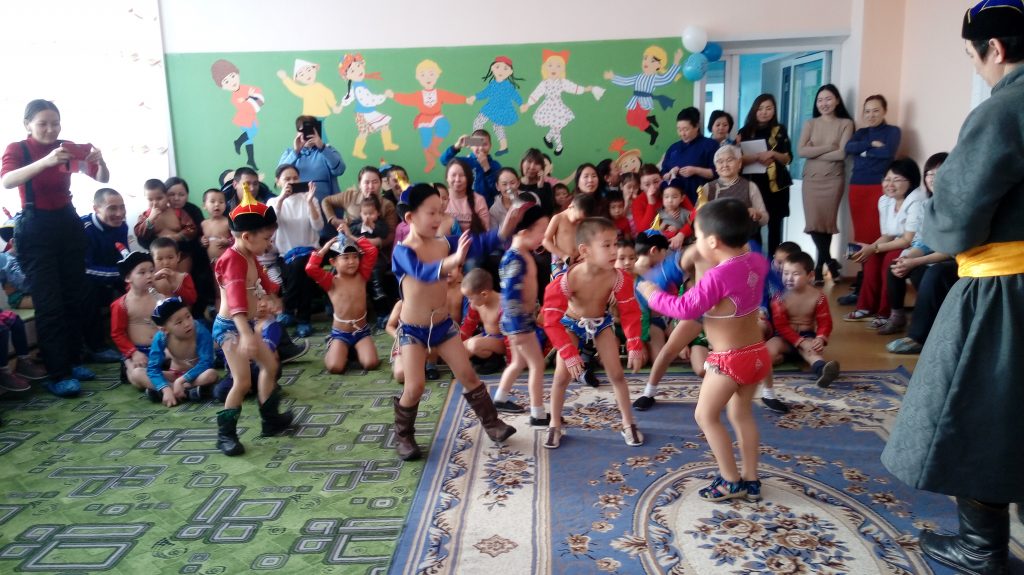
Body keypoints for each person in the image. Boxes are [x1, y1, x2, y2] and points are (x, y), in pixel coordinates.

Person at [883, 5, 1024, 571]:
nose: (977, 66)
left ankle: (981, 548)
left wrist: (933, 237)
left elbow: (956, 219)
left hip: (1002, 290)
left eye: (972, 55)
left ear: (995, 49)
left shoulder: (1002, 111)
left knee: (972, 408)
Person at [637, 198, 770, 502]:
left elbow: (685, 308)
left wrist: (652, 293)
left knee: (705, 416)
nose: (695, 244)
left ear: (713, 242)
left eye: (697, 237)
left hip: (730, 360)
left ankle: (730, 480)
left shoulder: (717, 277)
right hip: (757, 353)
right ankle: (751, 479)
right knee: (741, 414)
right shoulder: (755, 260)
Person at [390, 183, 515, 460]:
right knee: (415, 387)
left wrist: (503, 230)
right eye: (431, 213)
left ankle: (493, 424)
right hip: (413, 331)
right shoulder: (402, 251)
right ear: (410, 217)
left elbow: (477, 243)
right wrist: (454, 260)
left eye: (441, 211)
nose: (439, 218)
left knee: (468, 375)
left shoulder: (443, 243)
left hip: (443, 327)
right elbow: (421, 271)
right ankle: (403, 435)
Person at [1, 99, 109, 397]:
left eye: (55, 123)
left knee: (74, 296)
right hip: (35, 228)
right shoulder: (18, 149)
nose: (50, 129)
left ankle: (73, 361)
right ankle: (57, 373)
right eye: (43, 124)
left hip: (67, 223)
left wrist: (100, 161)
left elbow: (101, 177)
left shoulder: (66, 146)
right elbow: (7, 180)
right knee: (49, 304)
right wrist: (46, 161)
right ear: (28, 125)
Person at [541, 218, 647, 449]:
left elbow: (630, 313)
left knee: (616, 374)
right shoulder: (567, 280)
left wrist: (634, 344)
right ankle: (555, 424)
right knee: (561, 376)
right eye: (606, 245)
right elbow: (550, 320)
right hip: (571, 324)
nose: (614, 251)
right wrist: (569, 354)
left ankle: (628, 423)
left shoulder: (618, 278)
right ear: (585, 251)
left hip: (601, 324)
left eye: (615, 244)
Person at [212, 182, 293, 456]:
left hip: (246, 324)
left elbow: (263, 279)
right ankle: (225, 435)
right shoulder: (232, 260)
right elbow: (236, 302)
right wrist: (246, 334)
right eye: (267, 239)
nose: (270, 244)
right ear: (247, 236)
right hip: (231, 328)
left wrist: (272, 297)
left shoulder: (248, 253)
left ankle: (270, 420)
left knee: (269, 365)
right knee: (242, 381)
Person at [877, 152, 951, 336]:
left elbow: (951, 249)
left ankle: (926, 328)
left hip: (952, 259)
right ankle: (897, 317)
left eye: (938, 173)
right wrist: (908, 258)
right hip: (931, 256)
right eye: (929, 174)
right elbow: (921, 241)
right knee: (897, 265)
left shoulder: (957, 206)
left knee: (925, 274)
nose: (932, 178)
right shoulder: (928, 204)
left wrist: (915, 261)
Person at [843, 159, 925, 325]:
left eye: (897, 179)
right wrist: (869, 249)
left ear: (911, 181)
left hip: (918, 246)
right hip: (899, 242)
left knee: (889, 259)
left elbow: (907, 240)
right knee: (871, 258)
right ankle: (866, 307)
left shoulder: (917, 200)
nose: (890, 184)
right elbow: (887, 235)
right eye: (887, 179)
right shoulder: (885, 200)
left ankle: (885, 312)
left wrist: (874, 248)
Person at [492, 200, 551, 422]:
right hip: (518, 322)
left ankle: (500, 398)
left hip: (520, 320)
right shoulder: (515, 258)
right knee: (537, 364)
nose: (545, 236)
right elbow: (510, 294)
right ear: (524, 232)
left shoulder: (523, 253)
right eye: (542, 231)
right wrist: (518, 326)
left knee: (518, 362)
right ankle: (537, 413)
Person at [798, 84, 854, 286]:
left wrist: (815, 151)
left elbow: (841, 154)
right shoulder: (810, 123)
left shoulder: (846, 123)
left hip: (833, 179)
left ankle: (819, 269)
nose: (824, 103)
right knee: (814, 225)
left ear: (837, 100)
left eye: (828, 99)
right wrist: (829, 147)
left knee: (826, 225)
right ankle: (829, 262)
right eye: (820, 100)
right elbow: (801, 151)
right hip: (812, 179)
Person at [305, 230, 380, 373]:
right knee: (335, 367)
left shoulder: (362, 275)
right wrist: (325, 248)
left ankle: (353, 351)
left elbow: (372, 251)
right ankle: (335, 345)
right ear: (333, 262)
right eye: (345, 258)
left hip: (361, 332)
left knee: (371, 363)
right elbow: (311, 268)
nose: (351, 261)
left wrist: (351, 236)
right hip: (340, 333)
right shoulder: (330, 281)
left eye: (355, 257)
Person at [765, 251, 840, 387]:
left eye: (795, 274)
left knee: (813, 352)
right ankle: (784, 358)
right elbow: (781, 325)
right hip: (783, 339)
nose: (789, 278)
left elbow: (825, 321)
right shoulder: (778, 297)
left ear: (810, 276)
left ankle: (822, 370)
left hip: (807, 336)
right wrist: (799, 342)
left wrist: (820, 338)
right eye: (785, 273)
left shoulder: (819, 297)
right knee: (767, 352)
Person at [267, 164, 322, 338]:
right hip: (286, 256)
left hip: (312, 253)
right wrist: (281, 200)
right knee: (301, 269)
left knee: (302, 265)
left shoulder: (310, 198)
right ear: (278, 182)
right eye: (287, 179)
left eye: (295, 178)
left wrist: (309, 202)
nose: (292, 182)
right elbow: (271, 227)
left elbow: (318, 226)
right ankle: (303, 319)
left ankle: (289, 309)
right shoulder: (272, 202)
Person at [737, 94, 794, 255]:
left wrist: (773, 154)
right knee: (753, 226)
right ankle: (756, 262)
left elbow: (788, 158)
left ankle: (774, 262)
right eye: (760, 108)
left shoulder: (780, 130)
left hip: (776, 186)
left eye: (768, 108)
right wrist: (757, 157)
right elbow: (737, 160)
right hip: (753, 185)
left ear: (774, 110)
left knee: (775, 226)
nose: (764, 112)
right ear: (754, 110)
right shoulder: (745, 131)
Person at [81, 188, 130, 363]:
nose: (119, 213)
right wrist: (121, 273)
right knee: (88, 292)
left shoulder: (121, 225)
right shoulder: (84, 228)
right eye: (112, 208)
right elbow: (85, 270)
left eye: (122, 207)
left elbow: (124, 256)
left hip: (111, 273)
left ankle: (141, 334)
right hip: (86, 279)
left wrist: (135, 270)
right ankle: (97, 347)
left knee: (141, 283)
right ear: (96, 209)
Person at [277, 115, 346, 236]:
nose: (308, 134)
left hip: (328, 214)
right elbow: (280, 175)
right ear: (297, 133)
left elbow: (339, 170)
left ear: (317, 131)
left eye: (311, 131)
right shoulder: (290, 153)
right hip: (298, 214)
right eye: (303, 131)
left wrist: (322, 147)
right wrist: (296, 152)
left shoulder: (327, 150)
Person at [147, 297, 218, 407]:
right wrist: (166, 389)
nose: (187, 324)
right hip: (173, 374)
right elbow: (153, 368)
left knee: (211, 374)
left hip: (196, 376)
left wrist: (180, 381)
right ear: (165, 329)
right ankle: (181, 391)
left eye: (188, 316)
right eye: (179, 322)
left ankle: (173, 390)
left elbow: (206, 362)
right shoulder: (161, 337)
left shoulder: (200, 331)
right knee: (137, 374)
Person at [110, 251, 159, 393]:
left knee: (185, 358)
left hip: (161, 348)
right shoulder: (121, 304)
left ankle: (161, 385)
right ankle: (167, 387)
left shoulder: (159, 297)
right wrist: (133, 352)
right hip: (138, 352)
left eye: (151, 270)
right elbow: (117, 334)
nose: (149, 275)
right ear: (127, 278)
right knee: (136, 375)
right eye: (142, 272)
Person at [321, 166, 399, 248]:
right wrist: (333, 220)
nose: (371, 186)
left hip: (376, 248)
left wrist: (369, 243)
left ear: (380, 184)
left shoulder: (387, 205)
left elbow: (392, 234)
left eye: (375, 182)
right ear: (360, 185)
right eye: (366, 182)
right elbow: (326, 201)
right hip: (350, 246)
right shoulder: (349, 196)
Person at [660, 107, 719, 205]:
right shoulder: (673, 148)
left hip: (700, 199)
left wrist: (696, 170)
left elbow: (717, 172)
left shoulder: (710, 145)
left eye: (685, 129)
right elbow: (663, 173)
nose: (682, 133)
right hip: (675, 203)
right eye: (679, 129)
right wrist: (669, 174)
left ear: (696, 126)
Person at [459, 269, 509, 375]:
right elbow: (468, 326)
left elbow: (512, 335)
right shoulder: (475, 304)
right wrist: (456, 343)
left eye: (470, 298)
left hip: (504, 342)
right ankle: (483, 362)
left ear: (484, 294)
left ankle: (498, 361)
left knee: (474, 345)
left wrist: (511, 360)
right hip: (487, 336)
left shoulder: (503, 304)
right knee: (459, 349)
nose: (469, 301)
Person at [134, 179, 198, 252]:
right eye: (150, 199)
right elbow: (139, 232)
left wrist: (177, 237)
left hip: (179, 251)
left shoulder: (178, 212)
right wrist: (150, 220)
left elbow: (191, 229)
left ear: (167, 197)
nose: (155, 203)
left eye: (159, 198)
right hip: (157, 253)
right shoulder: (145, 216)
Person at [438, 131, 501, 206]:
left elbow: (497, 190)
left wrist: (487, 168)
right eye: (477, 144)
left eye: (485, 144)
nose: (481, 148)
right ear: (471, 146)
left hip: (488, 207)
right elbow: (444, 160)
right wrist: (456, 146)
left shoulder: (495, 165)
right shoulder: (465, 161)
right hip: (466, 207)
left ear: (490, 146)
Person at [542, 193, 597, 276]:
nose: (579, 222)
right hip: (560, 260)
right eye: (578, 219)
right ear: (571, 206)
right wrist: (563, 256)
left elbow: (590, 240)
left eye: (582, 220)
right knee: (560, 282)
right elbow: (545, 241)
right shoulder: (558, 218)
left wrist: (585, 253)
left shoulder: (584, 223)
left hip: (579, 261)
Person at [150, 237, 198, 307]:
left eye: (170, 257)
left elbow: (192, 300)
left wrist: (176, 286)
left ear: (178, 257)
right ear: (152, 260)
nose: (166, 262)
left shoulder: (183, 277)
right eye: (160, 259)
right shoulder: (150, 279)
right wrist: (152, 279)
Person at [445, 158, 490, 232]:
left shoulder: (479, 200)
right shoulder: (438, 198)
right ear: (447, 178)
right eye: (453, 175)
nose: (457, 179)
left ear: (468, 178)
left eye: (462, 175)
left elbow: (485, 231)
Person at [201, 188, 232, 264]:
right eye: (212, 201)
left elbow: (238, 238)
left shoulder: (227, 222)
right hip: (211, 262)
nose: (217, 204)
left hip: (227, 261)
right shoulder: (203, 224)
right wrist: (202, 241)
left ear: (225, 205)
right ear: (204, 206)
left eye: (221, 202)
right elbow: (202, 238)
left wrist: (229, 242)